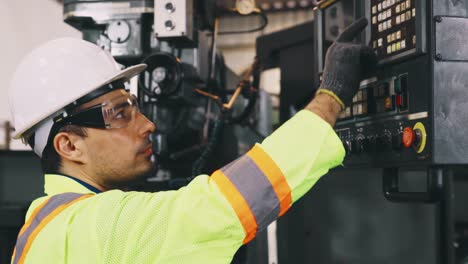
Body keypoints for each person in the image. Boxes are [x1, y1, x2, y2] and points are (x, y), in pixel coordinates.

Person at [8, 18, 375, 263]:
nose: (147, 125)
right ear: (69, 146)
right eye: (119, 113)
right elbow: (224, 206)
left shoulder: (42, 228)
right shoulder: (99, 225)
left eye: (135, 106)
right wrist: (332, 95)